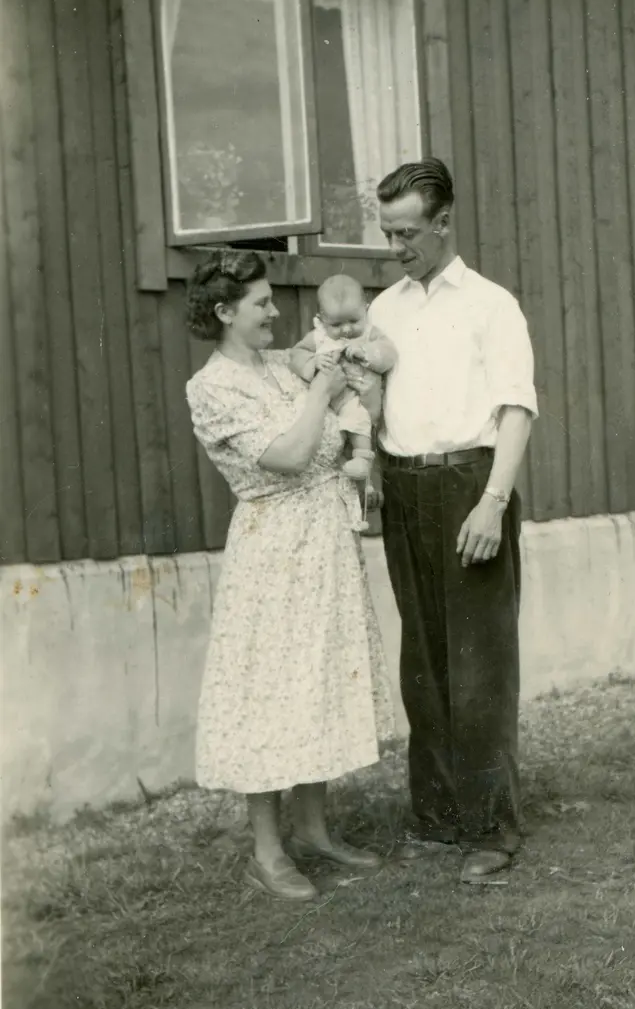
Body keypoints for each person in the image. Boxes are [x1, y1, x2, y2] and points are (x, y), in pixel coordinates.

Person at [185, 249, 395, 902]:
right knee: (270, 692)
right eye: (261, 304)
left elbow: (345, 431)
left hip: (325, 539)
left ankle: (314, 830)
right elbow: (291, 454)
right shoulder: (211, 388)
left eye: (273, 300)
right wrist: (322, 393)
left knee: (317, 681)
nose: (277, 312)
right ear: (223, 312)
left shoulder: (284, 364)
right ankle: (268, 851)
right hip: (272, 550)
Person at [367, 158, 538, 885]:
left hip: (471, 484)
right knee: (424, 661)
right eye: (386, 234)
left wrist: (493, 501)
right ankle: (436, 819)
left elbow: (516, 408)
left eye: (407, 233)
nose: (396, 247)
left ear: (442, 222)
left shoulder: (491, 304)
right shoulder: (385, 309)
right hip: (404, 490)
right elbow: (373, 402)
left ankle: (490, 828)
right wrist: (373, 477)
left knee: (479, 666)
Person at [290, 274, 397, 487]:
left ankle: (363, 463)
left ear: (365, 309)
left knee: (358, 420)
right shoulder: (318, 336)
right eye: (337, 324)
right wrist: (314, 363)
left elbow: (389, 353)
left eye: (353, 321)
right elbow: (297, 354)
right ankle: (341, 470)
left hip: (354, 399)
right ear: (321, 319)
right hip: (325, 403)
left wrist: (366, 353)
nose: (347, 329)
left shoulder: (369, 334)